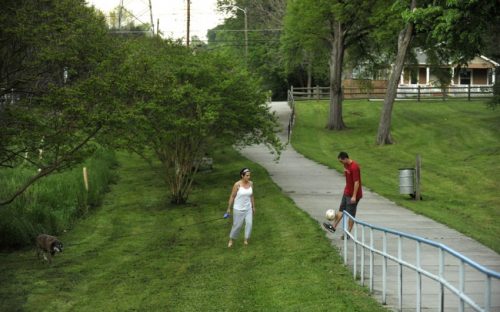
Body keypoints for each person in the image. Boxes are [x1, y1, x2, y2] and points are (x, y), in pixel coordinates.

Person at [323, 152, 362, 239]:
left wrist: (354, 196)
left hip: (353, 195)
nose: (341, 163)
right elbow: (348, 176)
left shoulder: (354, 167)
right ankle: (333, 227)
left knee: (350, 215)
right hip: (347, 192)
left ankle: (347, 234)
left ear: (345, 158)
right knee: (341, 210)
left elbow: (357, 183)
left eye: (341, 161)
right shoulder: (346, 165)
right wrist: (345, 173)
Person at [227, 168, 255, 247]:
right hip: (238, 209)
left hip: (248, 208)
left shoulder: (251, 184)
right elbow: (232, 196)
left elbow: (252, 196)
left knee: (249, 223)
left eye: (249, 175)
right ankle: (231, 239)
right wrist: (229, 208)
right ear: (242, 176)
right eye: (247, 175)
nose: (249, 177)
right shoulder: (237, 185)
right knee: (237, 225)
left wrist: (253, 207)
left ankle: (246, 239)